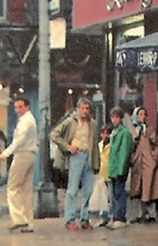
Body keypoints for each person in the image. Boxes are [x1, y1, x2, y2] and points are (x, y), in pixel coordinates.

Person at [52, 96, 100, 231]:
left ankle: (85, 218)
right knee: (72, 189)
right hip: (76, 156)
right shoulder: (70, 122)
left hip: (89, 156)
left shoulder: (93, 124)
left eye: (87, 109)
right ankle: (70, 219)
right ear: (78, 109)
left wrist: (96, 162)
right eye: (83, 108)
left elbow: (95, 144)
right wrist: (68, 147)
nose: (85, 111)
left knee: (88, 190)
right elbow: (54, 134)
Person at [0, 97, 38, 233]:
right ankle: (28, 222)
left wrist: (6, 153)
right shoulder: (31, 119)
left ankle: (18, 219)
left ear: (27, 106)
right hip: (31, 154)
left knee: (13, 187)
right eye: (16, 107)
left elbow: (19, 140)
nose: (17, 110)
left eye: (20, 107)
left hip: (22, 154)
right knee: (26, 189)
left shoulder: (25, 121)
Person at [129, 107, 158, 223]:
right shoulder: (134, 130)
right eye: (140, 114)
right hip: (138, 162)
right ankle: (140, 213)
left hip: (148, 163)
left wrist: (154, 158)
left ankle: (151, 213)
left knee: (150, 188)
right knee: (138, 188)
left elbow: (157, 145)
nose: (142, 117)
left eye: (144, 114)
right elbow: (130, 146)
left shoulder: (150, 130)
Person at [106, 106, 134, 229]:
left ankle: (120, 217)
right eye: (113, 117)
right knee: (114, 193)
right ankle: (116, 216)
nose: (114, 120)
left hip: (119, 167)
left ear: (121, 118)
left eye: (116, 117)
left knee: (119, 192)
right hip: (113, 167)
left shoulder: (125, 133)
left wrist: (122, 168)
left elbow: (124, 152)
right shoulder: (114, 132)